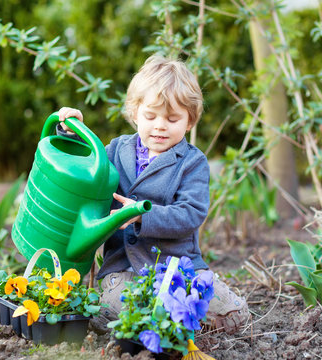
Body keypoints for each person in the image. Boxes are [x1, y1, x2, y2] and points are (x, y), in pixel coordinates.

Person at [57, 55, 249, 334]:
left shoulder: (192, 163)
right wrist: (73, 132)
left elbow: (190, 213)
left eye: (172, 119)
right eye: (150, 116)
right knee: (130, 308)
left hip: (177, 267)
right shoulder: (115, 150)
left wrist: (140, 215)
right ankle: (143, 320)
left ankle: (174, 317)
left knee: (232, 312)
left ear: (189, 121)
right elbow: (88, 168)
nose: (160, 125)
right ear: (135, 113)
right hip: (123, 267)